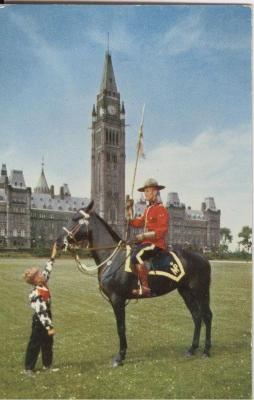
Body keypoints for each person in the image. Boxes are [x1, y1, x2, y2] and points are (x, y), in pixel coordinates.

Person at [128, 178, 169, 296]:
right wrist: (129, 209)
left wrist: (144, 235)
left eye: (147, 191)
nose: (145, 194)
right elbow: (138, 222)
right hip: (146, 243)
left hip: (156, 244)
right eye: (144, 191)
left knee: (137, 257)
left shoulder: (161, 209)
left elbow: (162, 231)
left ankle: (145, 287)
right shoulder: (148, 209)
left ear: (155, 192)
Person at [23, 259, 56, 375]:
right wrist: (49, 327)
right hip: (40, 320)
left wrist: (52, 257)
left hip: (47, 317)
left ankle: (47, 365)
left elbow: (48, 270)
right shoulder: (35, 293)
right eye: (38, 274)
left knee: (48, 343)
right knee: (35, 344)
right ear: (34, 280)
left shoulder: (42, 282)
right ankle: (28, 368)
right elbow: (41, 312)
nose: (41, 274)